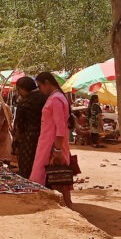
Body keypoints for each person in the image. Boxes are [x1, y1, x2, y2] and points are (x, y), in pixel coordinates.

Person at [31, 72, 73, 207]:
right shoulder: (57, 97)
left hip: (52, 144)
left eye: (40, 86)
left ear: (47, 83)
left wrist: (57, 149)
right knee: (57, 179)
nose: (40, 90)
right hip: (49, 142)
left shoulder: (56, 99)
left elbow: (60, 127)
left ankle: (64, 207)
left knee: (55, 178)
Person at [12, 77, 47, 178]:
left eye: (18, 90)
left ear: (22, 88)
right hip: (45, 138)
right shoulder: (46, 97)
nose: (19, 93)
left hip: (29, 140)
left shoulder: (25, 103)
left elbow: (19, 125)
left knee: (27, 168)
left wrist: (16, 137)